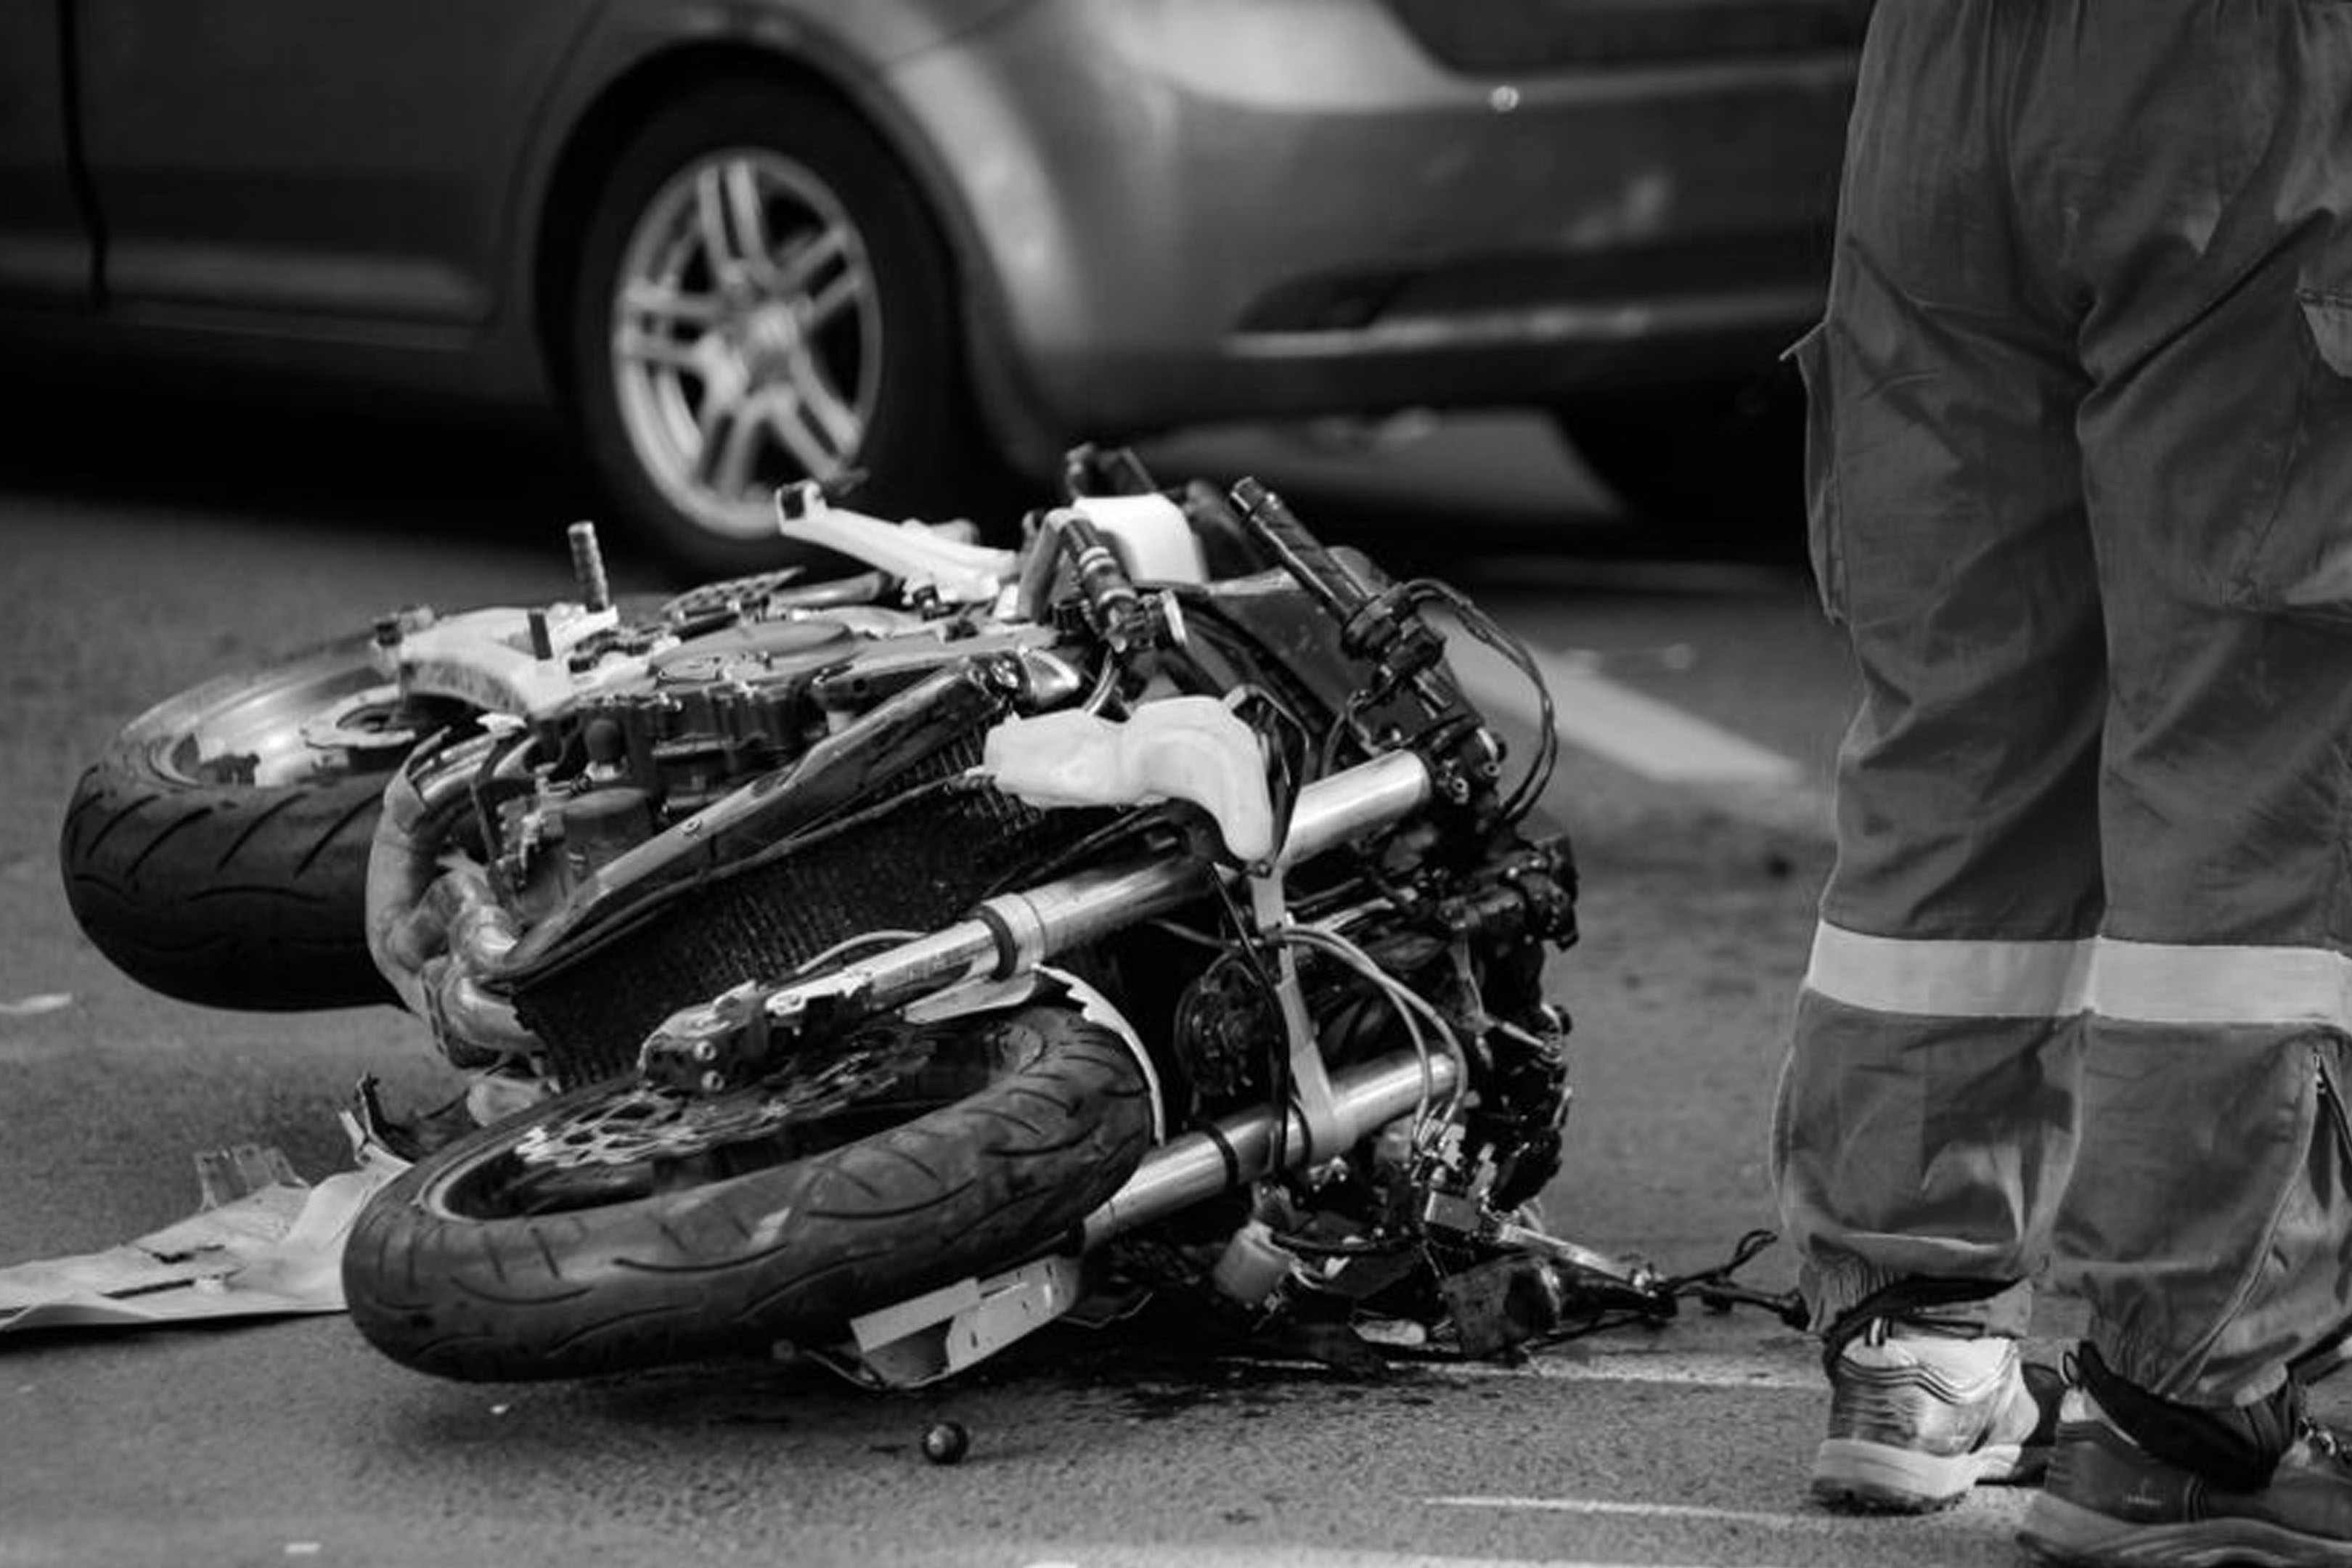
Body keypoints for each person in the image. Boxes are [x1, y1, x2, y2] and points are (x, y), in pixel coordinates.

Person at [1770, 2, 2352, 1561]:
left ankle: (1915, 1335)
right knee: (2251, 739)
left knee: (1969, 712)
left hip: (1950, 75)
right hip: (2248, 82)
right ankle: (2200, 1408)